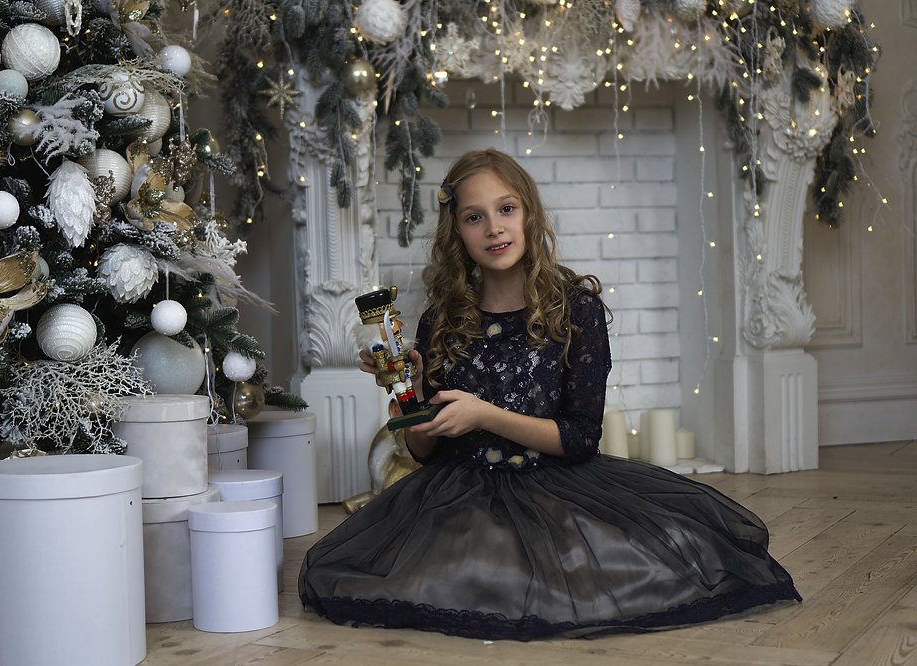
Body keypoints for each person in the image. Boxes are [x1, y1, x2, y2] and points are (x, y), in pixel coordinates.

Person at [298, 148, 800, 641]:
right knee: (440, 571)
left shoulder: (576, 310)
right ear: (457, 233)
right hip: (463, 490)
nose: (493, 228)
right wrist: (411, 392)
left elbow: (580, 438)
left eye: (506, 209)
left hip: (555, 484)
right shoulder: (441, 320)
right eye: (474, 217)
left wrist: (483, 415)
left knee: (636, 558)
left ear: (529, 214)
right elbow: (426, 453)